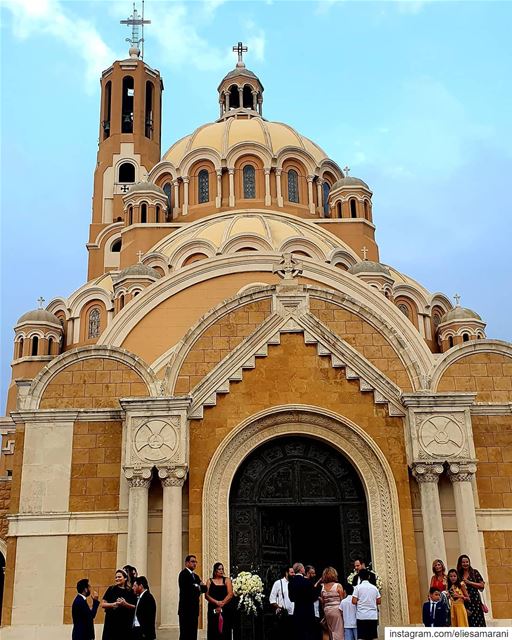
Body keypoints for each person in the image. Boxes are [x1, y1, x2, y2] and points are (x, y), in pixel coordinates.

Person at [288, 562, 322, 640]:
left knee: (299, 634)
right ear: (300, 569)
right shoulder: (306, 581)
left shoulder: (291, 583)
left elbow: (291, 598)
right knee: (309, 633)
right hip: (308, 611)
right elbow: (313, 597)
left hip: (297, 611)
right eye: (303, 568)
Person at [101, 569, 137, 640]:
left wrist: (125, 604)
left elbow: (135, 607)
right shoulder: (111, 589)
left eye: (119, 577)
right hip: (111, 623)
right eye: (116, 577)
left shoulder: (130, 591)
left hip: (125, 623)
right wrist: (114, 604)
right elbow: (103, 604)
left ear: (125, 578)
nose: (117, 579)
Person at [178, 554, 208, 640]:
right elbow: (188, 590)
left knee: (193, 633)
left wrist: (197, 586)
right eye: (192, 561)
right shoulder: (183, 574)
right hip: (185, 610)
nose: (194, 564)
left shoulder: (196, 576)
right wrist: (198, 586)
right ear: (186, 563)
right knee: (185, 633)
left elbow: (204, 588)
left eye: (195, 562)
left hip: (194, 609)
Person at [205, 562, 234, 639]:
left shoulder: (227, 580)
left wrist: (222, 603)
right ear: (215, 571)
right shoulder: (209, 581)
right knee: (213, 629)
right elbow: (206, 595)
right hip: (213, 608)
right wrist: (216, 602)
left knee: (225, 629)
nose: (221, 571)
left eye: (222, 569)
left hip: (226, 608)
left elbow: (230, 594)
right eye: (219, 569)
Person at [457, 554, 486, 627]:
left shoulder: (474, 572)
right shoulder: (458, 575)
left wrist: (469, 582)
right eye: (463, 562)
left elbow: (482, 585)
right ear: (460, 563)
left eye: (467, 562)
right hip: (465, 600)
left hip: (475, 600)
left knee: (478, 620)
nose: (465, 564)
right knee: (468, 620)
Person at [352, 569, 381, 640]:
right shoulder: (374, 588)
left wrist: (360, 601)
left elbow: (353, 601)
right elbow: (379, 601)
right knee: (372, 637)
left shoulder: (357, 588)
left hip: (361, 615)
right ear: (368, 576)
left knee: (362, 637)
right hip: (372, 616)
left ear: (360, 577)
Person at [269, 565, 295, 640]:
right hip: (284, 615)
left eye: (294, 572)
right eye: (292, 572)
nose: (293, 574)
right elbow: (272, 599)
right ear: (286, 573)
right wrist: (279, 607)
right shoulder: (278, 583)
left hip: (295, 614)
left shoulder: (295, 583)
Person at [320, 567, 344, 640]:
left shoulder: (323, 587)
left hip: (327, 610)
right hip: (337, 610)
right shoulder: (338, 586)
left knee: (331, 631)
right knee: (339, 630)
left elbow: (323, 601)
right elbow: (342, 599)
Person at [131, 576, 157, 640]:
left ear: (141, 586)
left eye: (134, 586)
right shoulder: (139, 597)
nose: (133, 588)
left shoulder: (148, 598)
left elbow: (149, 617)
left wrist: (144, 633)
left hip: (143, 633)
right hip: (137, 630)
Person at [305, 566, 322, 640]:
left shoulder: (312, 582)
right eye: (312, 573)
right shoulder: (305, 583)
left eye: (314, 573)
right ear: (308, 573)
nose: (314, 575)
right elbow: (312, 595)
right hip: (310, 612)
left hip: (317, 611)